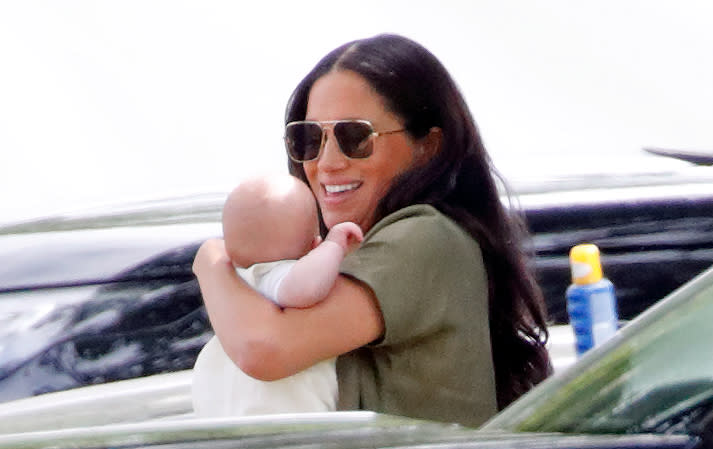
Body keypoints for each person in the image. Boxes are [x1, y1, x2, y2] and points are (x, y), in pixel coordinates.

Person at [193, 33, 552, 427]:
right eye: (310, 138)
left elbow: (264, 350)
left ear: (428, 146)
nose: (326, 162)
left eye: (355, 137)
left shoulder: (426, 236)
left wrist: (212, 263)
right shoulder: (341, 252)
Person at [192, 174, 363, 417]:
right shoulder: (271, 276)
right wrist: (334, 246)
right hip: (291, 423)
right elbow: (306, 289)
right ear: (314, 246)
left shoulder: (234, 286)